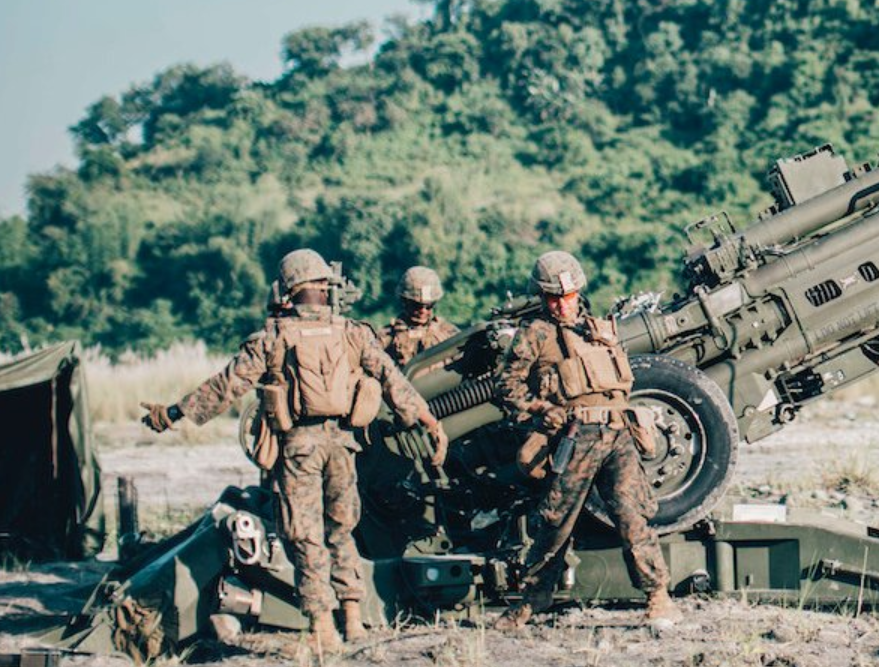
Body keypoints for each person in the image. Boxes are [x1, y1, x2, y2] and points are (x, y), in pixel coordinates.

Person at [141, 249, 449, 654]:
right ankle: (353, 618)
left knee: (305, 535)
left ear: (288, 290)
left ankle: (323, 625)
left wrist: (174, 413)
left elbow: (227, 385)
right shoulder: (353, 332)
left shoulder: (274, 338)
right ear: (324, 288)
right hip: (343, 444)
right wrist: (428, 422)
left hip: (299, 448)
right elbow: (393, 382)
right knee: (342, 530)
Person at [495, 250, 673, 628]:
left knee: (632, 514)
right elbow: (507, 388)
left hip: (616, 433)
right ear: (542, 298)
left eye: (569, 295)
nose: (563, 304)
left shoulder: (598, 328)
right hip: (573, 437)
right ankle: (532, 599)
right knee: (556, 521)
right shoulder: (535, 333)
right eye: (554, 298)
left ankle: (658, 595)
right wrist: (541, 410)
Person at [381, 266, 460, 365]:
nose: (423, 311)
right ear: (405, 302)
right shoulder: (387, 338)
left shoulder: (448, 334)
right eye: (416, 305)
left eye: (429, 306)